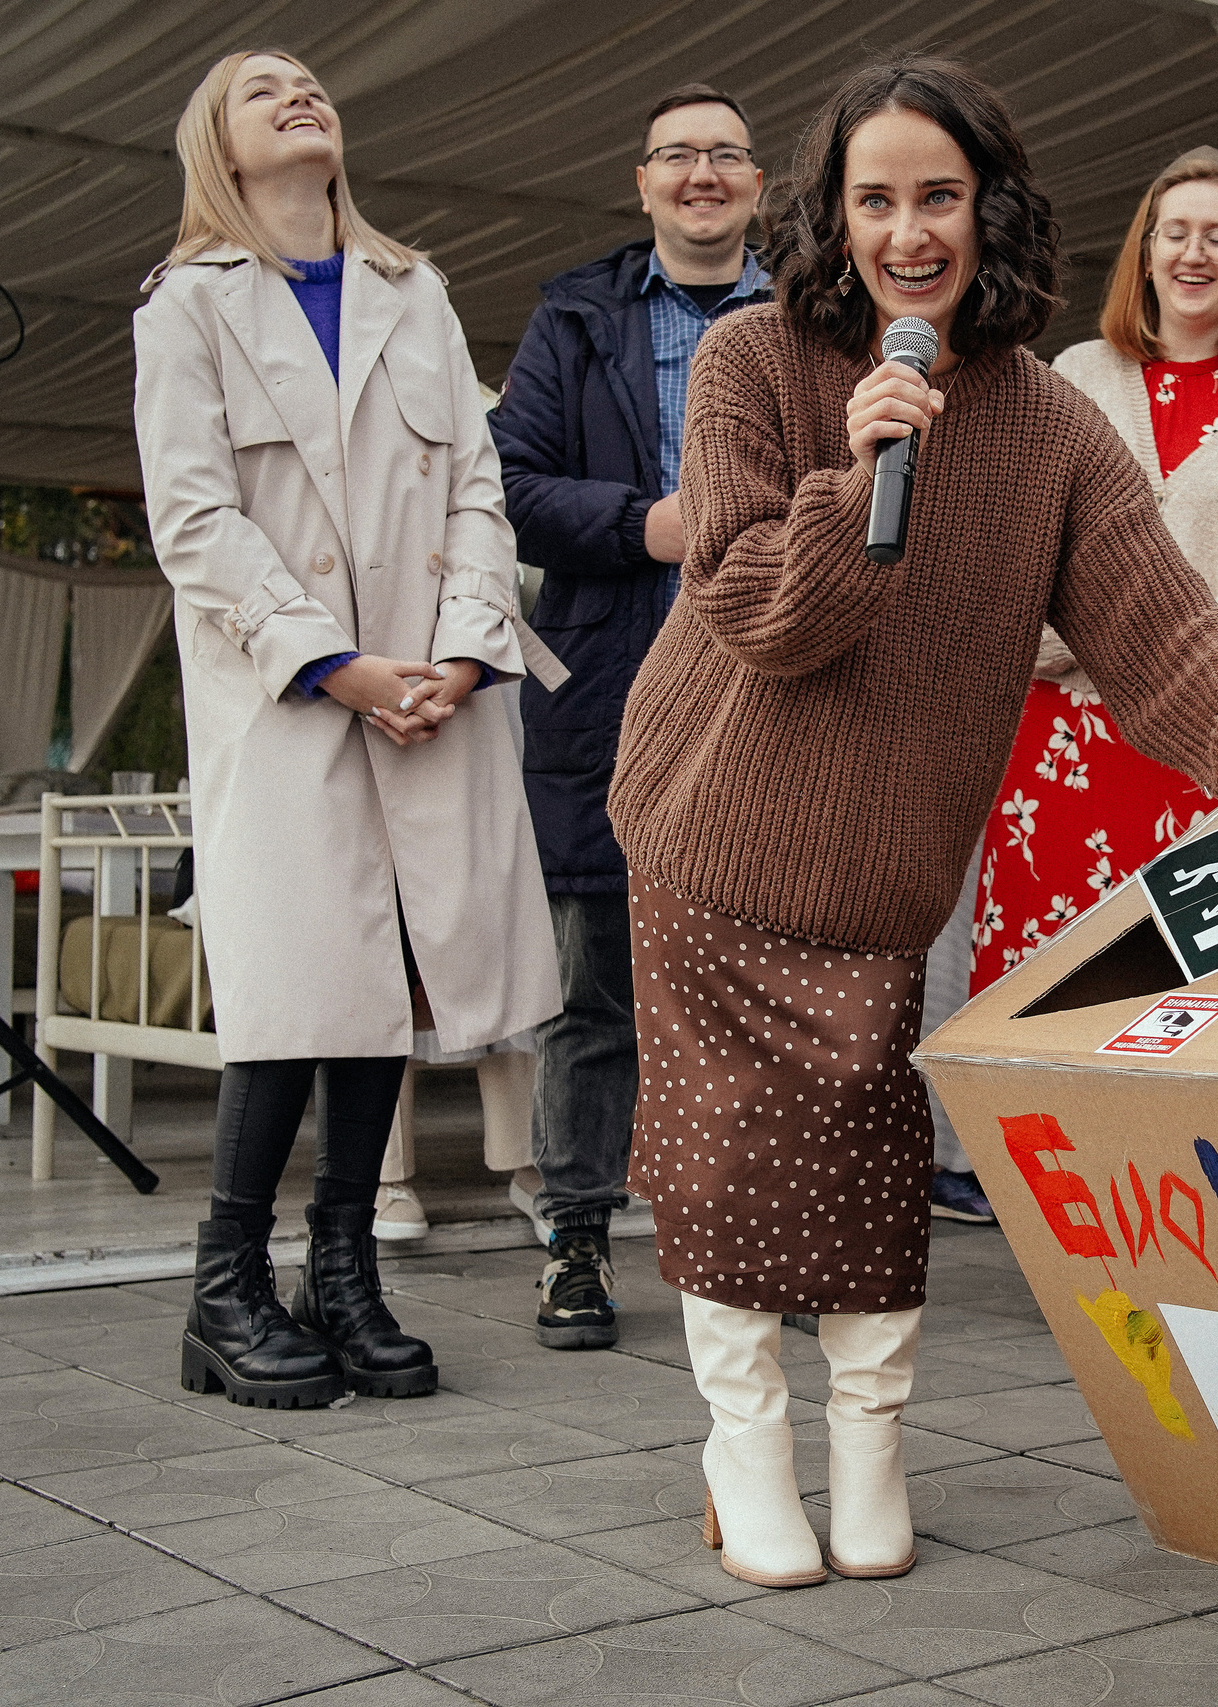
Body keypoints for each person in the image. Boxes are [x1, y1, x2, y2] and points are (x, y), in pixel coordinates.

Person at [604, 54, 1218, 1589]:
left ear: (992, 212)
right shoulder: (749, 361)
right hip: (714, 826)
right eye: (876, 200)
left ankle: (870, 1441)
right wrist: (866, 470)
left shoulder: (1049, 421)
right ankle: (742, 1441)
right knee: (727, 1163)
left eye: (940, 196)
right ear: (830, 215)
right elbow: (756, 611)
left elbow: (1155, 616)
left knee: (862, 1149)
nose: (909, 232)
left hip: (887, 871)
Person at [133, 50, 564, 1408]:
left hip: (429, 697)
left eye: (311, 80)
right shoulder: (183, 307)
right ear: (221, 140)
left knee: (381, 987)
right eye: (264, 88)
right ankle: (222, 1288)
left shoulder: (413, 290)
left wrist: (460, 650)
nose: (298, 93)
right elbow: (193, 519)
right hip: (290, 703)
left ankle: (343, 1272)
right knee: (292, 987)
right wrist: (332, 663)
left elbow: (480, 492)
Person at [489, 84, 773, 1350]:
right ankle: (579, 1244)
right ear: (643, 182)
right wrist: (642, 524)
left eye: (724, 155)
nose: (701, 174)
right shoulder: (575, 314)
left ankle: (765, 1241)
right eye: (677, 157)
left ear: (757, 186)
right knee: (599, 983)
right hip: (608, 676)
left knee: (763, 980)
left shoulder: (813, 317)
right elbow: (505, 485)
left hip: (773, 680)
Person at [968, 147, 1218, 992]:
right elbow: (1010, 589)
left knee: (1205, 999)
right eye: (1174, 233)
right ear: (1145, 253)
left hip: (1207, 759)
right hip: (1057, 758)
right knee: (1042, 998)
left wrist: (1112, 619)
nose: (1194, 253)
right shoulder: (1071, 380)